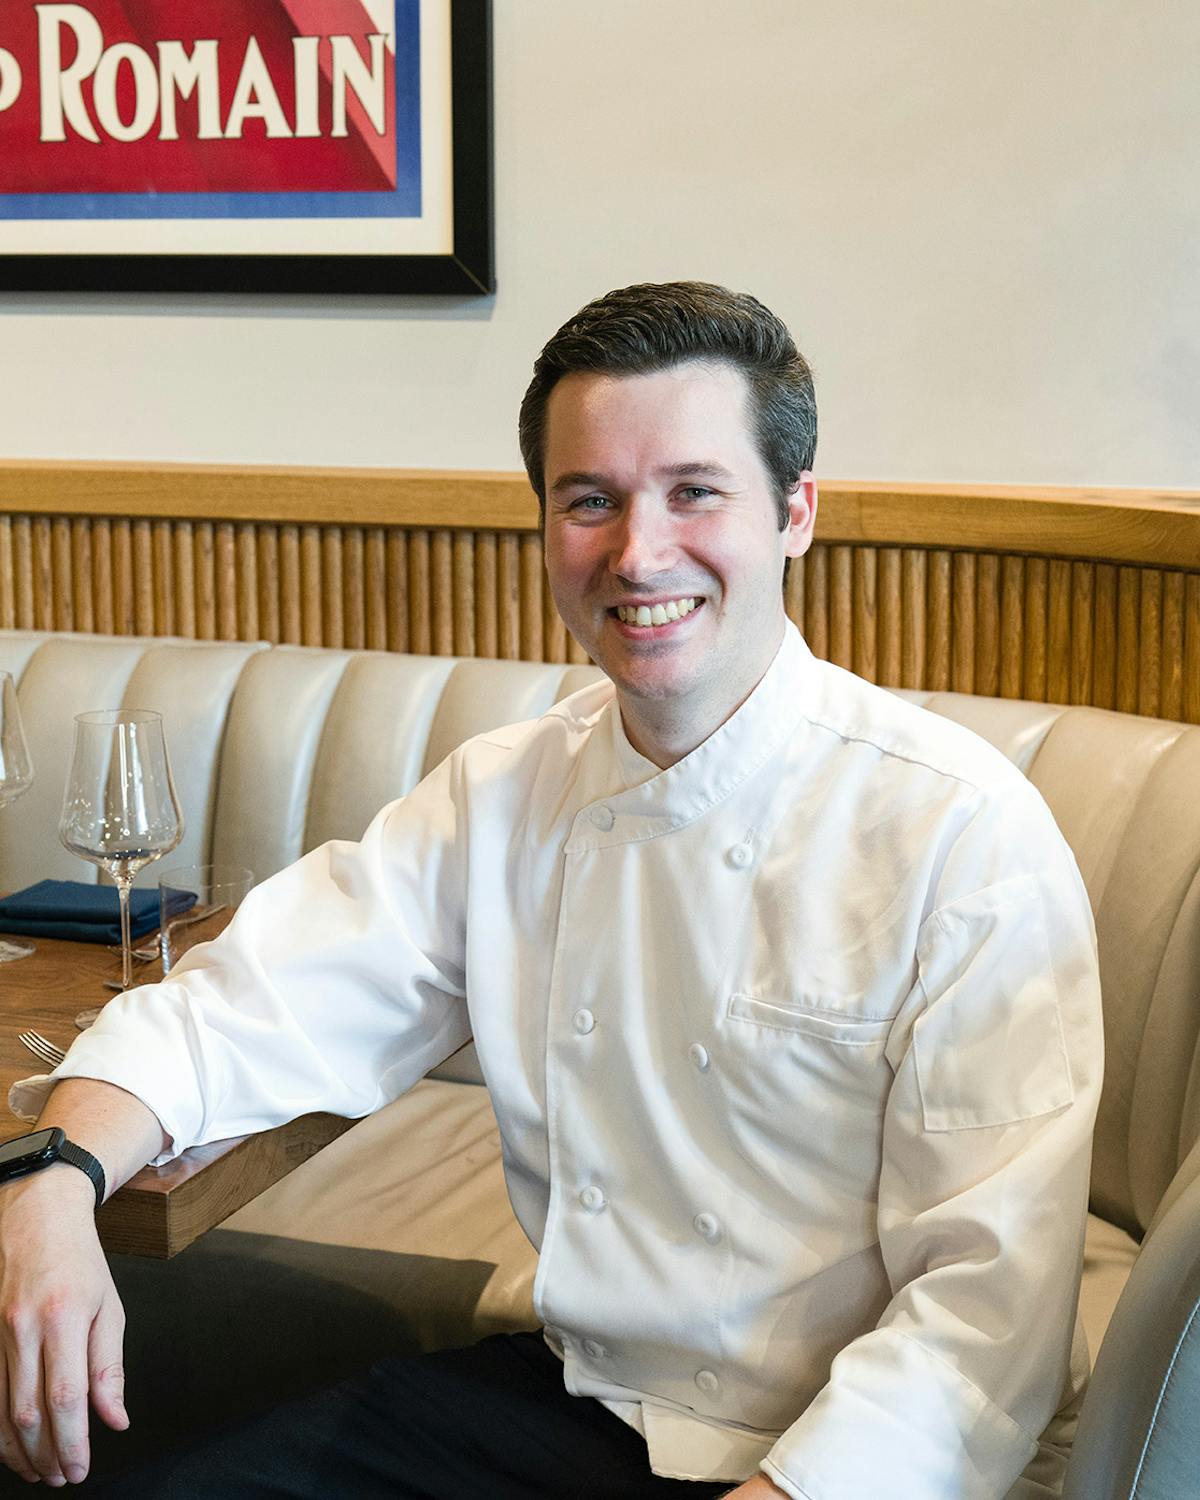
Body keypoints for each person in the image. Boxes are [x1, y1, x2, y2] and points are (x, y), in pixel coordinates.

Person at [0, 282, 1102, 1498]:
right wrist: (53, 1180)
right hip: (575, 1401)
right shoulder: (506, 793)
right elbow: (248, 1004)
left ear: (794, 512)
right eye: (592, 501)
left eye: (695, 492)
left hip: (848, 1454)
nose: (639, 553)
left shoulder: (959, 832)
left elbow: (984, 1325)